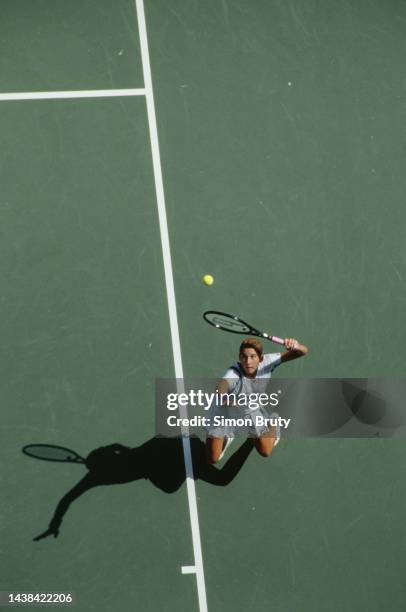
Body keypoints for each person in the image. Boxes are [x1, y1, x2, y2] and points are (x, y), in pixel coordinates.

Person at [205, 336, 308, 464]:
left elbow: (303, 351)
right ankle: (228, 435)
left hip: (250, 411)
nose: (248, 361)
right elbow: (221, 386)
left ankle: (273, 422)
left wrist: (295, 346)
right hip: (224, 413)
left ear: (260, 359)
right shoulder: (234, 373)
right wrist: (225, 398)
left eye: (253, 356)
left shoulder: (269, 361)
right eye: (244, 356)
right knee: (212, 459)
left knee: (265, 451)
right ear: (239, 357)